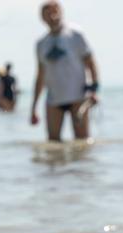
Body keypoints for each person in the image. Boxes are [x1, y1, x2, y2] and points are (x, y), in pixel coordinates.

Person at [30, 1, 99, 141]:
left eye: (54, 11)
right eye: (47, 13)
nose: (52, 16)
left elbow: (91, 63)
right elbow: (40, 76)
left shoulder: (75, 34)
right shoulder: (41, 43)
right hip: (54, 100)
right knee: (53, 143)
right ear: (42, 18)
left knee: (82, 142)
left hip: (78, 97)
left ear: (61, 11)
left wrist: (94, 89)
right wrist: (34, 107)